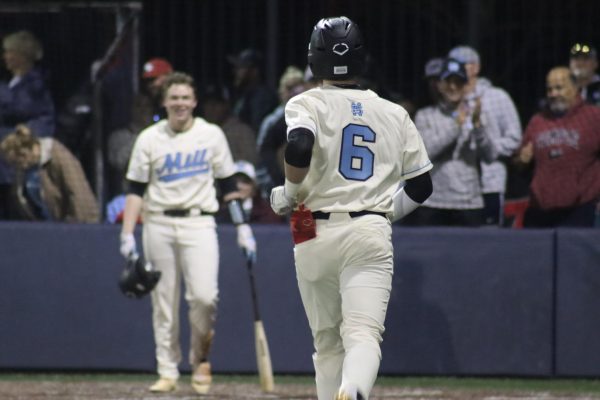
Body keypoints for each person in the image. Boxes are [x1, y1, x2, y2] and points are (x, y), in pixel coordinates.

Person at [269, 16, 433, 400]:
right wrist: (384, 213)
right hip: (368, 229)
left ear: (314, 59)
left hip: (311, 226)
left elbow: (298, 147)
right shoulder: (394, 113)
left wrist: (292, 191)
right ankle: (355, 389)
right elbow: (422, 186)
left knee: (327, 343)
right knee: (362, 333)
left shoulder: (305, 102)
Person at [118, 72, 257, 394]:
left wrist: (242, 227)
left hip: (199, 222)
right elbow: (135, 189)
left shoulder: (211, 135)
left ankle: (200, 359)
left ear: (194, 101)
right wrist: (127, 234)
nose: (180, 103)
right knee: (163, 302)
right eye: (174, 97)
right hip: (159, 223)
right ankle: (167, 369)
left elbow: (228, 186)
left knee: (205, 298)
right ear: (165, 102)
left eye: (185, 97)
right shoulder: (150, 138)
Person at [404, 58, 497, 227]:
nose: (453, 87)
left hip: (469, 202)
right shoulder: (425, 115)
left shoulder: (477, 114)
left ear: (466, 86)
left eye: (458, 82)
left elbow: (490, 156)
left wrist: (478, 129)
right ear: (439, 85)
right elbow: (425, 154)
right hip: (434, 202)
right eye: (448, 82)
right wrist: (456, 127)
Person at [515, 66, 600, 228]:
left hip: (580, 212)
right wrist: (522, 159)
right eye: (549, 89)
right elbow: (519, 164)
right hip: (541, 212)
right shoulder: (538, 121)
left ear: (575, 89)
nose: (553, 94)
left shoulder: (593, 117)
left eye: (559, 88)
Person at [448, 45, 522, 226]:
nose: (456, 71)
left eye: (461, 65)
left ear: (475, 67)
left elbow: (514, 138)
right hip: (457, 187)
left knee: (490, 238)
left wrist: (490, 149)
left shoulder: (497, 96)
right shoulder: (450, 101)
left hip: (490, 182)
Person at [0, 30, 56, 219]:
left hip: (23, 161)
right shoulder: (13, 83)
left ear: (22, 55)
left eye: (10, 52)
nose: (5, 57)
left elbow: (21, 107)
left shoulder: (35, 84)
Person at [0, 124, 98, 222]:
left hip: (72, 229)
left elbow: (80, 196)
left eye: (16, 162)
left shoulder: (59, 156)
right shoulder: (22, 173)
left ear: (23, 153)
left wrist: (77, 230)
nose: (15, 167)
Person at [106, 58, 173, 200]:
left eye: (146, 107)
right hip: (133, 195)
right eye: (138, 106)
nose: (142, 111)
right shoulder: (120, 135)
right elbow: (119, 162)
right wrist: (144, 132)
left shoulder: (167, 126)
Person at [255, 65, 307, 199]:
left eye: (299, 86)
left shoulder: (312, 115)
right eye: (289, 88)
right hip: (276, 188)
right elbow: (264, 154)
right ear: (281, 91)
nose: (295, 91)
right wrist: (279, 184)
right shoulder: (272, 121)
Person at [199, 84, 258, 165]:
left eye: (216, 104)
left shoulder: (242, 132)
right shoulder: (199, 133)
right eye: (207, 104)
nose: (211, 108)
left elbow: (250, 164)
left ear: (226, 105)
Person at [228, 48, 278, 133]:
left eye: (241, 67)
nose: (236, 71)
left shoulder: (262, 97)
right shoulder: (246, 94)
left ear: (254, 71)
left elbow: (256, 130)